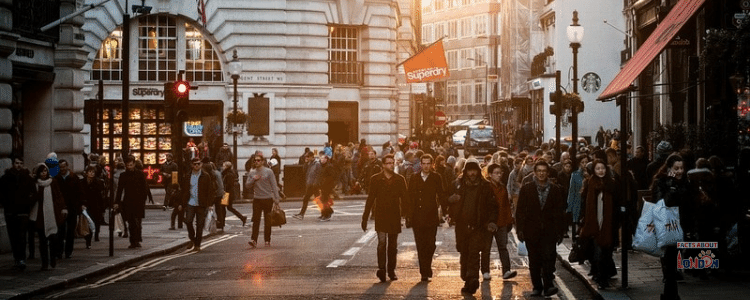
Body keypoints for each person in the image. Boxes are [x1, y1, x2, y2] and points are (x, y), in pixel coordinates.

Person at [447, 159, 498, 294]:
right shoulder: (458, 184)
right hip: (461, 226)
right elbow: (447, 200)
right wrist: (450, 203)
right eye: (469, 170)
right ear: (465, 171)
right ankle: (467, 278)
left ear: (478, 171)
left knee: (474, 253)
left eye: (474, 170)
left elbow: (492, 206)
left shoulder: (485, 186)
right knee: (464, 252)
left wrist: (492, 221)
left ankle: (473, 278)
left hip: (478, 226)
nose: (472, 173)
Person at [516, 160, 566, 297]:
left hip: (549, 231)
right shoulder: (527, 188)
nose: (541, 173)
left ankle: (548, 285)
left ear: (548, 173)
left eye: (544, 171)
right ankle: (537, 286)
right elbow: (520, 211)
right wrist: (520, 229)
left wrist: (560, 231)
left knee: (549, 258)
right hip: (532, 231)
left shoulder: (555, 190)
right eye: (539, 171)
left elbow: (559, 212)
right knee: (534, 260)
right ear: (535, 172)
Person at [650, 154, 696, 300]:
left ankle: (669, 294)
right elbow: (660, 203)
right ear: (669, 168)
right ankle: (671, 295)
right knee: (670, 261)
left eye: (682, 168)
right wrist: (671, 186)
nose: (680, 171)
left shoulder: (685, 183)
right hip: (666, 226)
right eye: (676, 168)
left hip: (680, 227)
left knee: (673, 261)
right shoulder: (662, 182)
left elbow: (689, 206)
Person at [362, 154, 409, 282]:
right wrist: (365, 218)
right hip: (381, 215)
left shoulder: (399, 179)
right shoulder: (376, 179)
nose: (390, 165)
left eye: (392, 163)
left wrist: (407, 216)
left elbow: (405, 199)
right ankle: (381, 269)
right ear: (383, 165)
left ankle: (391, 270)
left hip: (394, 215)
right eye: (387, 163)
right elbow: (370, 198)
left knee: (392, 246)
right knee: (382, 243)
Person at [406, 154, 447, 282]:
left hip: (431, 215)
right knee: (420, 245)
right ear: (420, 164)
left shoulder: (436, 177)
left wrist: (445, 212)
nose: (426, 166)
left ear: (432, 164)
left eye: (428, 163)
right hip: (417, 216)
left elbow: (441, 194)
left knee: (430, 244)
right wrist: (408, 215)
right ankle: (424, 271)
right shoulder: (414, 178)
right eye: (423, 163)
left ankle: (427, 265)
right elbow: (410, 197)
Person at [579, 159, 620, 289]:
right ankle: (601, 278)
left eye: (602, 168)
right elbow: (584, 204)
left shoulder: (612, 184)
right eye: (598, 169)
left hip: (609, 224)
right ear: (594, 171)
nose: (600, 171)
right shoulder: (590, 183)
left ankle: (604, 277)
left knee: (607, 253)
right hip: (594, 224)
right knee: (598, 253)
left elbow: (618, 204)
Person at [483, 163, 517, 280]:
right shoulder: (485, 187)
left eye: (500, 173)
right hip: (488, 224)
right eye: (496, 173)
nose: (499, 175)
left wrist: (509, 220)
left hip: (502, 222)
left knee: (503, 247)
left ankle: (506, 270)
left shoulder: (502, 187)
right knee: (486, 248)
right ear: (490, 174)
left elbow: (506, 206)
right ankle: (485, 271)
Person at [29, 164, 67, 270]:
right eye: (41, 171)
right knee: (42, 242)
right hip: (40, 215)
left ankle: (53, 259)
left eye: (45, 171)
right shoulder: (35, 184)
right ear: (38, 173)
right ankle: (44, 263)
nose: (43, 173)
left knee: (53, 239)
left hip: (52, 215)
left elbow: (58, 196)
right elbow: (32, 198)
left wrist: (63, 208)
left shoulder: (53, 182)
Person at [0, 157, 35, 270]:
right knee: (13, 237)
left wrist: (28, 203)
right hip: (10, 211)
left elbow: (33, 193)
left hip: (23, 212)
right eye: (16, 163)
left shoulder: (27, 178)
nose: (19, 165)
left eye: (20, 163)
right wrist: (5, 203)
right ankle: (17, 258)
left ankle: (21, 259)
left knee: (21, 236)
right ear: (13, 164)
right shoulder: (6, 178)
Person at [178, 157, 215, 252]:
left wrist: (210, 204)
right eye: (194, 164)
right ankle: (192, 238)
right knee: (188, 221)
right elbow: (184, 191)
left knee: (199, 225)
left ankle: (197, 245)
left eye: (198, 164)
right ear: (191, 165)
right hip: (190, 202)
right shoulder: (187, 176)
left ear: (201, 164)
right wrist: (181, 203)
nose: (196, 165)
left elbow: (210, 191)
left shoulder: (206, 176)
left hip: (201, 204)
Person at [245, 153, 281, 248]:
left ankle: (267, 240)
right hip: (257, 199)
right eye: (255, 160)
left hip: (268, 199)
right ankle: (254, 240)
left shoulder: (268, 172)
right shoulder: (252, 172)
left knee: (267, 221)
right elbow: (247, 185)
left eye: (258, 160)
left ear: (263, 161)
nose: (256, 162)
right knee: (256, 220)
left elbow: (274, 185)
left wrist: (276, 199)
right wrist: (253, 179)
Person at [114, 156, 150, 249]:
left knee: (138, 222)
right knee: (131, 223)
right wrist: (117, 202)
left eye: (131, 165)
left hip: (139, 201)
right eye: (128, 165)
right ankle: (133, 241)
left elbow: (145, 188)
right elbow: (120, 190)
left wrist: (143, 199)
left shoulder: (140, 174)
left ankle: (137, 239)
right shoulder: (123, 176)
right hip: (128, 202)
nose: (129, 167)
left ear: (134, 164)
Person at [54, 159, 83, 259]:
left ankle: (68, 251)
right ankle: (59, 252)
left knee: (70, 231)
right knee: (60, 231)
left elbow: (79, 192)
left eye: (63, 166)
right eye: (60, 167)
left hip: (72, 207)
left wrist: (80, 205)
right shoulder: (56, 178)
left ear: (67, 166)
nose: (62, 169)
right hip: (60, 208)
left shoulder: (73, 177)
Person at [81, 165, 107, 247]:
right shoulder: (82, 182)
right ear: (86, 173)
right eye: (90, 172)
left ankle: (96, 234)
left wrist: (103, 209)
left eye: (93, 172)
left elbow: (101, 196)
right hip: (86, 205)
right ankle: (88, 240)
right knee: (88, 222)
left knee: (96, 222)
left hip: (96, 205)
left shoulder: (98, 182)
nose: (91, 173)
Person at [293, 151, 321, 220]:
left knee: (308, 199)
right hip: (310, 184)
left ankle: (302, 214)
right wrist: (305, 163)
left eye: (308, 157)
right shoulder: (309, 164)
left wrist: (316, 183)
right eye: (306, 157)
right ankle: (326, 212)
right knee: (316, 200)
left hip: (314, 185)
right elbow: (304, 171)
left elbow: (319, 174)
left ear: (312, 157)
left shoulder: (317, 164)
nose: (307, 158)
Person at [221, 161, 247, 226]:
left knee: (224, 208)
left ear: (227, 167)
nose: (222, 167)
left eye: (224, 166)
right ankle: (242, 218)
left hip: (226, 194)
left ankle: (222, 222)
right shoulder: (228, 173)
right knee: (228, 208)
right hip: (228, 193)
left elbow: (228, 185)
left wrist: (224, 190)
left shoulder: (228, 174)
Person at [318, 154, 337, 221]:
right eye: (321, 158)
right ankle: (325, 213)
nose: (322, 160)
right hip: (323, 186)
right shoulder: (322, 166)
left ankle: (327, 214)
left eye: (323, 159)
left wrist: (330, 186)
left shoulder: (329, 167)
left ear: (326, 159)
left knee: (325, 200)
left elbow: (332, 177)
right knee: (322, 200)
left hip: (327, 186)